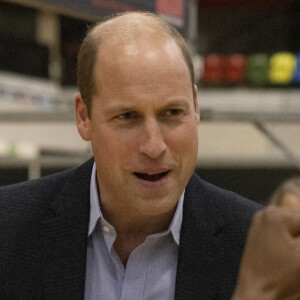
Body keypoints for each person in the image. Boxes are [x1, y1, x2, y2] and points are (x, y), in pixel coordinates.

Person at [0, 11, 297, 300]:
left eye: (172, 113)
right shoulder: (8, 227)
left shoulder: (258, 251)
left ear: (195, 107)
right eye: (127, 116)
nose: (154, 146)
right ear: (83, 117)